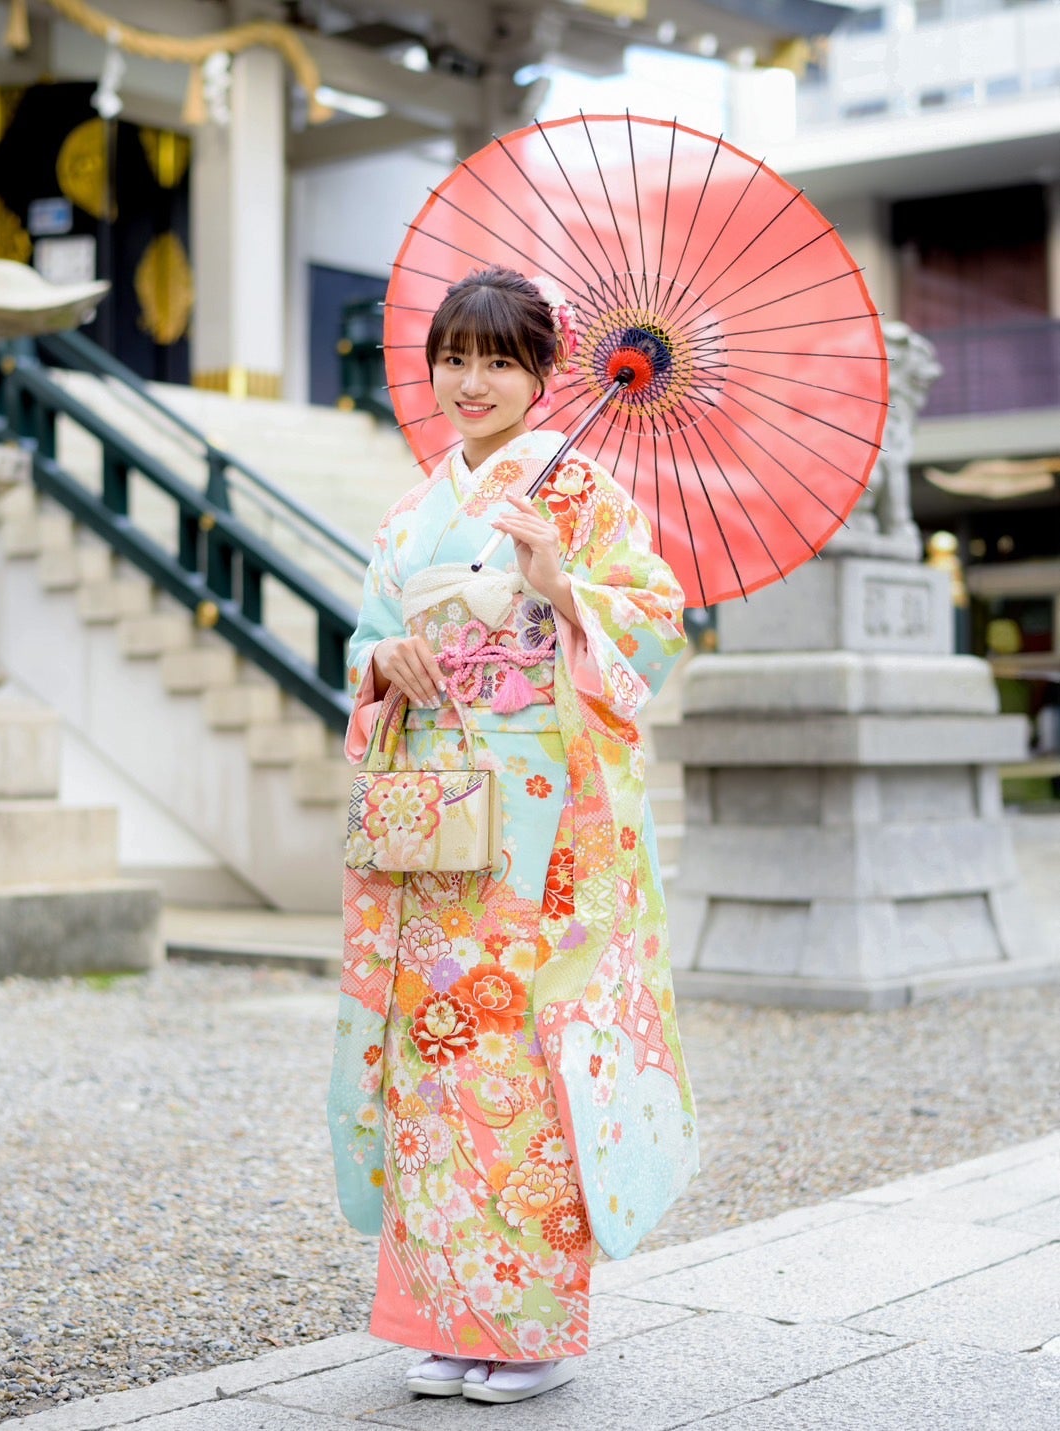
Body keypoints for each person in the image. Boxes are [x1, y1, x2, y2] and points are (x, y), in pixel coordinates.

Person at [328, 266, 698, 1405]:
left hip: (544, 829)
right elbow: (363, 643)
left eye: (498, 360)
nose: (470, 380)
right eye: (454, 356)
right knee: (430, 1062)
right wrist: (386, 662)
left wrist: (562, 582)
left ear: (541, 376)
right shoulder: (410, 511)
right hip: (434, 819)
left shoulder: (577, 490)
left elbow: (658, 624)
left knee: (525, 1068)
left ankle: (529, 1328)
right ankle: (448, 1312)